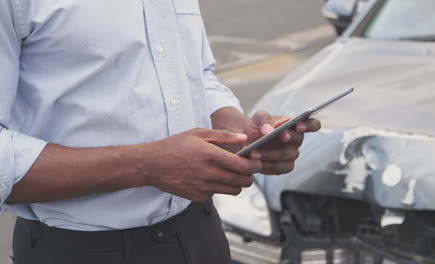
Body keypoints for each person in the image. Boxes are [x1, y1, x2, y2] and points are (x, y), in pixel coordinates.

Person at [0, 1, 321, 263]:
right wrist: (146, 165)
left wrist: (241, 133)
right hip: (78, 249)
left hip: (201, 234)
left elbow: (197, 75)